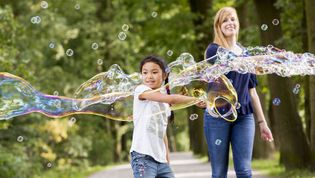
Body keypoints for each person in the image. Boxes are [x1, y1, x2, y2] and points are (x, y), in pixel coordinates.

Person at [203, 7, 274, 178]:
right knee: (219, 173)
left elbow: (252, 91)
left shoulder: (245, 52)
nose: (230, 23)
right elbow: (233, 63)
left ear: (238, 23)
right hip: (217, 116)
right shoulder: (213, 51)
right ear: (218, 26)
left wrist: (262, 122)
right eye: (225, 20)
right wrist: (261, 58)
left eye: (232, 19)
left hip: (244, 117)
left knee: (244, 170)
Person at [130, 55, 202, 178]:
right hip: (143, 157)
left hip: (161, 161)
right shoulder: (141, 90)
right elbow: (172, 98)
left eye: (154, 72)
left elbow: (163, 134)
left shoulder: (165, 104)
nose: (149, 76)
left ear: (164, 75)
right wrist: (195, 100)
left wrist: (167, 159)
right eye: (145, 72)